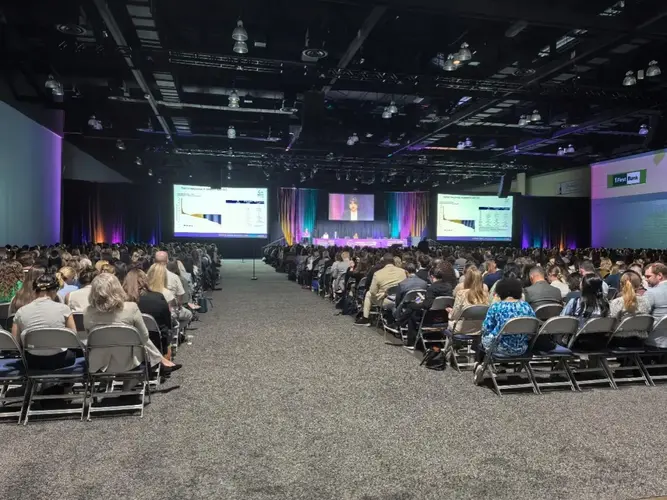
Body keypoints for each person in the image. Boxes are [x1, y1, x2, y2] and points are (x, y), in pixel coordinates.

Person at [83, 273, 178, 377]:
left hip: (97, 363)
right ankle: (160, 361)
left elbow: (86, 338)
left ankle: (161, 361)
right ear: (117, 288)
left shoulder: (87, 312)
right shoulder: (131, 308)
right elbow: (144, 337)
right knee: (139, 337)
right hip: (128, 362)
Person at [473, 277, 536, 384]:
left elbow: (486, 328)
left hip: (500, 349)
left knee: (482, 337)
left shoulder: (496, 307)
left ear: (500, 291)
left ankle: (479, 363)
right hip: (521, 348)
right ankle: (501, 366)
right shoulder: (527, 307)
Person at [11, 274, 78, 370]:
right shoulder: (64, 309)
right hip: (61, 360)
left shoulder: (21, 311)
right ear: (55, 290)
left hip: (32, 361)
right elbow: (74, 338)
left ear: (34, 291)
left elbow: (15, 342)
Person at [123, 269, 173, 357]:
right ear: (145, 281)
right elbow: (167, 322)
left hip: (128, 345)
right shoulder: (158, 297)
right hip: (156, 343)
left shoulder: (121, 301)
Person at [355, 253, 406, 326]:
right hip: (400, 299)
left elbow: (372, 291)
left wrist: (380, 292)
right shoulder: (403, 272)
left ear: (383, 262)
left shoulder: (378, 274)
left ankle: (365, 318)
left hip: (386, 299)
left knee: (368, 294)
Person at [609, 271, 651, 347]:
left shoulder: (616, 302)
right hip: (640, 340)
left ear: (621, 284)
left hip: (620, 339)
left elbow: (613, 322)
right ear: (639, 285)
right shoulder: (646, 301)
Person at [448, 266, 489, 332]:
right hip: (480, 329)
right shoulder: (485, 294)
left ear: (467, 279)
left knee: (450, 321)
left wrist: (450, 313)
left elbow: (455, 316)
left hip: (462, 329)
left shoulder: (461, 293)